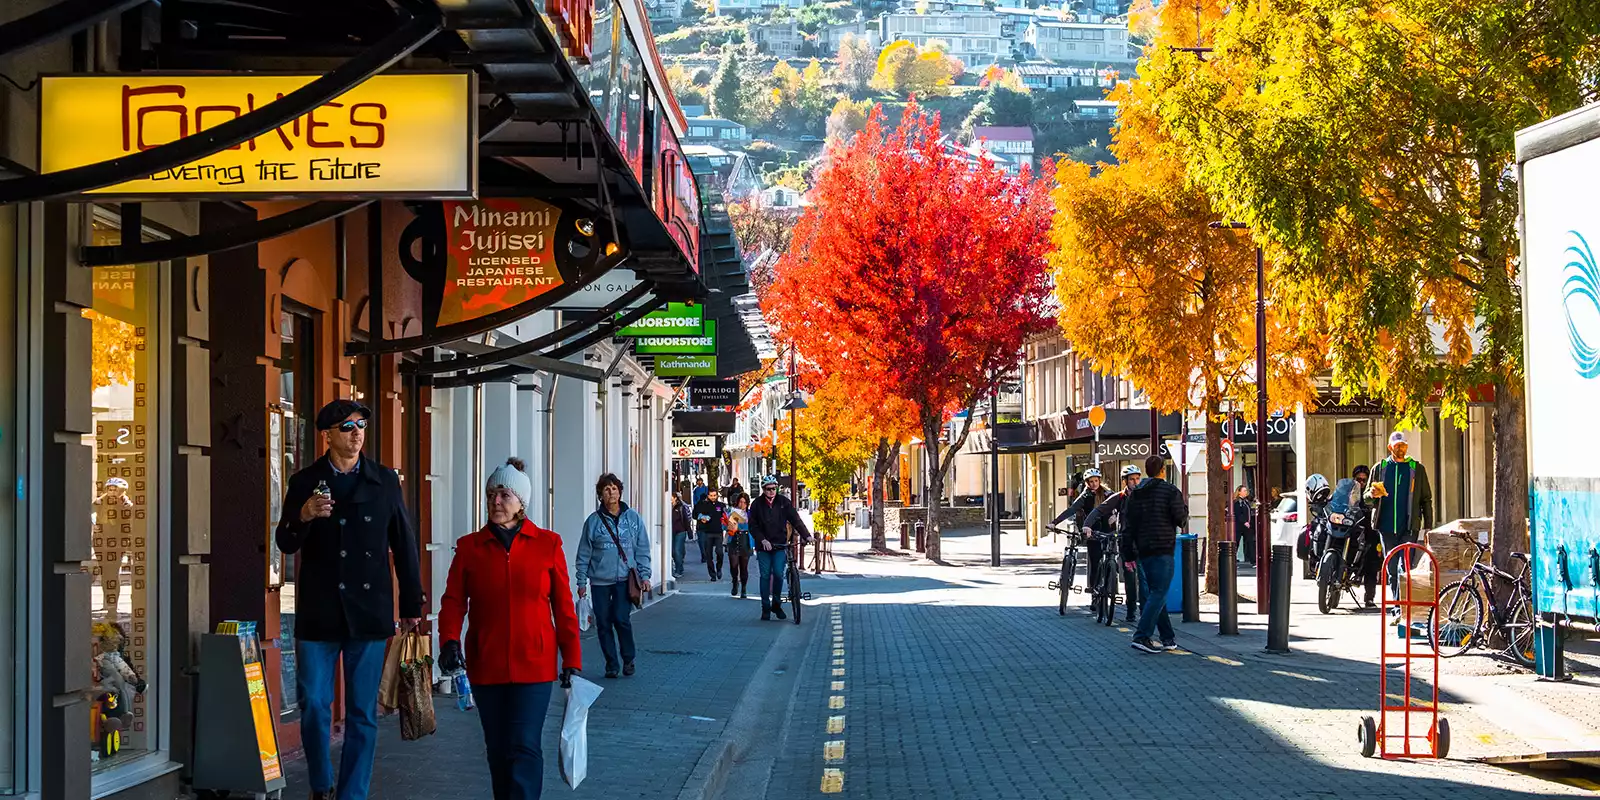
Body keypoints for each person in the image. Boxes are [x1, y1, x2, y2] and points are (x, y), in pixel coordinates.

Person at [274, 399, 422, 800]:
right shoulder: (305, 481)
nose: (356, 433)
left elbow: (403, 542)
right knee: (314, 703)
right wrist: (303, 516)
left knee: (361, 712)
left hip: (368, 611)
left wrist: (412, 604)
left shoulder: (384, 480)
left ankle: (353, 793)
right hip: (319, 611)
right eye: (346, 427)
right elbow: (285, 541)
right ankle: (321, 784)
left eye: (360, 425)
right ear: (327, 435)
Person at [439, 459, 581, 800]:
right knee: (498, 748)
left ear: (521, 502)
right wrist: (449, 641)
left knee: (524, 745)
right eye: (491, 495)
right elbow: (453, 601)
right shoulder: (470, 547)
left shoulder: (548, 544)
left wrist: (572, 660)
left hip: (534, 663)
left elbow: (564, 608)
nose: (496, 501)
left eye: (504, 494)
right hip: (486, 662)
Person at [576, 473, 653, 679]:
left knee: (621, 619)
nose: (611, 493)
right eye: (607, 489)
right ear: (600, 495)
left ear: (620, 492)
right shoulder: (593, 522)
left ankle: (628, 658)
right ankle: (611, 664)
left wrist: (645, 576)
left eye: (615, 489)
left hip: (624, 580)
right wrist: (581, 582)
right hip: (599, 582)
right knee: (603, 623)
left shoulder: (633, 518)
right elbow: (584, 554)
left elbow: (642, 549)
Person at [1121, 455, 1187, 654]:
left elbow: (1128, 527)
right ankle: (1141, 636)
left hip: (1143, 548)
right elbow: (1181, 519)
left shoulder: (1136, 494)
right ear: (1163, 470)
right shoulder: (1170, 491)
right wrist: (1184, 509)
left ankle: (1167, 637)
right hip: (1163, 546)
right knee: (1159, 592)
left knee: (1156, 592)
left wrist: (1127, 554)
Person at [1366, 432, 1435, 607]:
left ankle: (1402, 607)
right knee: (1392, 568)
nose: (1401, 449)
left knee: (1405, 568)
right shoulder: (1380, 468)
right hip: (1386, 527)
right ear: (1390, 447)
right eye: (1397, 446)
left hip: (1409, 527)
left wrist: (1428, 526)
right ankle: (1398, 605)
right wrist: (1371, 494)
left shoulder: (1416, 469)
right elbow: (1366, 498)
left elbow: (1426, 499)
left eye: (1403, 446)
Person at [1084, 465, 1144, 623]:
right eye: (1131, 479)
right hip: (1126, 543)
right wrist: (1087, 525)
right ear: (1125, 481)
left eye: (1137, 479)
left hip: (1143, 541)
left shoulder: (1145, 496)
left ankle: (1144, 611)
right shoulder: (1120, 497)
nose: (1135, 482)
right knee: (1130, 579)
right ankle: (1131, 610)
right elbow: (1099, 510)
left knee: (1144, 579)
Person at [749, 476, 812, 620]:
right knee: (765, 575)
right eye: (768, 489)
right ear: (763, 489)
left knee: (778, 573)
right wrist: (762, 540)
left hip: (779, 544)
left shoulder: (783, 502)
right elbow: (753, 526)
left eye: (774, 488)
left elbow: (795, 520)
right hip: (764, 546)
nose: (771, 491)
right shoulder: (757, 504)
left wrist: (807, 535)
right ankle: (765, 607)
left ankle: (776, 605)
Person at [1332, 464, 1381, 608]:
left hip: (1367, 529)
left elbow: (1376, 507)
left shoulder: (1371, 493)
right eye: (1358, 479)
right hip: (1350, 528)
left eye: (1364, 480)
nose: (1361, 482)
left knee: (1371, 560)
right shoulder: (1347, 491)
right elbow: (1336, 501)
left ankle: (1369, 597)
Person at [1054, 468, 1109, 580]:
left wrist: (1115, 515)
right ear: (1087, 483)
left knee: (1110, 558)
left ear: (1099, 480)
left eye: (1096, 481)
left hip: (1107, 530)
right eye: (1091, 481)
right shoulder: (1085, 496)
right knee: (1095, 561)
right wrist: (1054, 522)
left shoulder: (1108, 493)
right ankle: (1094, 587)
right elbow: (1071, 510)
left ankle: (1110, 584)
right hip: (1091, 531)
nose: (1094, 484)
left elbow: (1118, 506)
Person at [693, 488, 727, 580]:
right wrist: (701, 518)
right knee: (708, 555)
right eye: (711, 495)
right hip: (707, 533)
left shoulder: (721, 505)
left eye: (714, 495)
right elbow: (696, 514)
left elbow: (726, 516)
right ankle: (712, 574)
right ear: (708, 496)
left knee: (720, 552)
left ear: (717, 495)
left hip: (718, 532)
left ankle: (719, 568)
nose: (713, 497)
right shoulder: (704, 505)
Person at [725, 492, 754, 598]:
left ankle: (744, 588)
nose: (742, 504)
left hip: (745, 539)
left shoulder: (750, 514)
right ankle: (734, 582)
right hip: (734, 539)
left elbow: (753, 527)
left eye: (744, 502)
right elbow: (724, 525)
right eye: (740, 502)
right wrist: (729, 525)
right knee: (733, 565)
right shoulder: (731, 512)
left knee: (744, 566)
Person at [670, 492, 693, 579]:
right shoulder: (667, 507)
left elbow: (686, 520)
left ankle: (679, 570)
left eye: (671, 497)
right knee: (672, 551)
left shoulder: (680, 507)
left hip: (680, 531)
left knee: (677, 550)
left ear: (675, 498)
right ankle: (678, 566)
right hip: (671, 532)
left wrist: (689, 532)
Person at [1232, 485, 1255, 567]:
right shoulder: (1237, 502)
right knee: (1236, 543)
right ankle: (1232, 561)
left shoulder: (1246, 502)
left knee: (1250, 542)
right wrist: (1244, 522)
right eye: (1244, 491)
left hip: (1247, 526)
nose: (1246, 492)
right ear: (1239, 492)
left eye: (1246, 490)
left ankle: (1253, 561)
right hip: (1239, 526)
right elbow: (1238, 514)